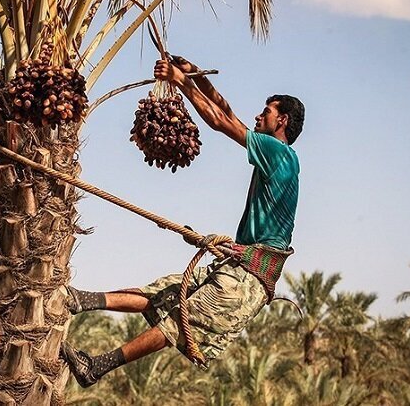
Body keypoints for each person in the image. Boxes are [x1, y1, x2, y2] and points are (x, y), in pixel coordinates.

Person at [61, 56, 305, 388]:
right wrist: (194, 76)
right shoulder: (277, 155)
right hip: (239, 265)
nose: (258, 116)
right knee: (162, 293)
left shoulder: (278, 152)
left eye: (266, 112)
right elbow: (226, 110)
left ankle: (97, 367)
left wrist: (179, 81)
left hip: (248, 280)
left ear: (283, 121)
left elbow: (221, 120)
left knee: (176, 324)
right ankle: (79, 300)